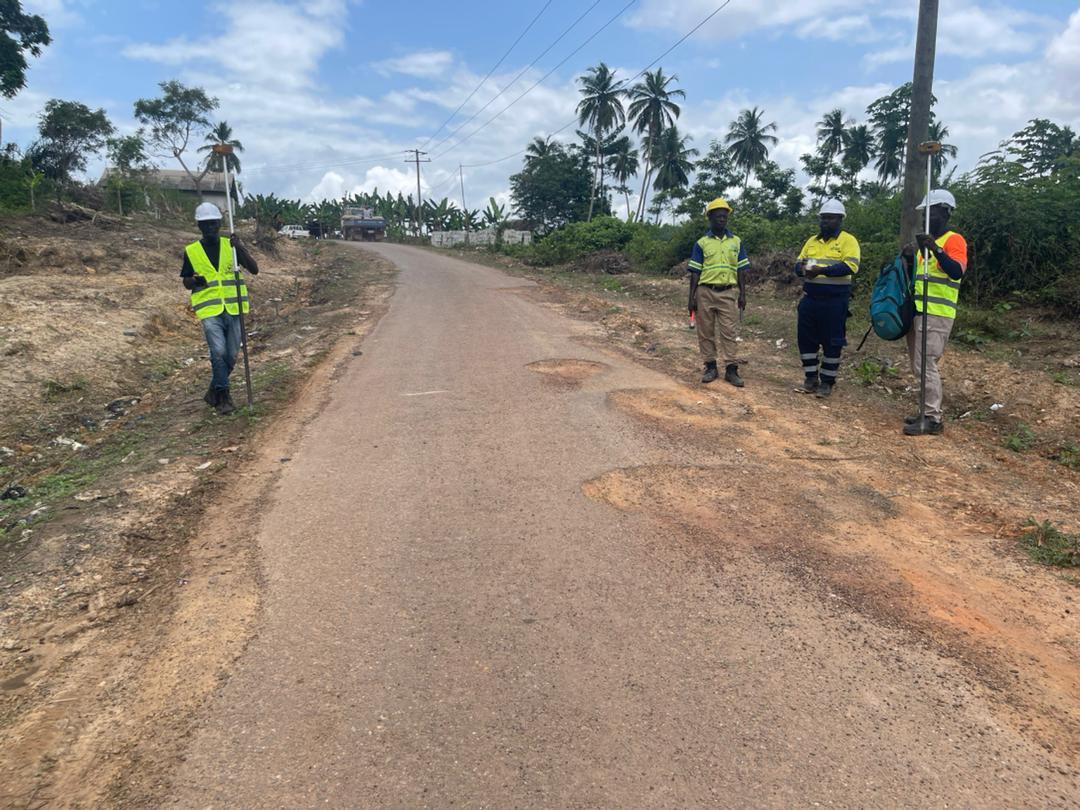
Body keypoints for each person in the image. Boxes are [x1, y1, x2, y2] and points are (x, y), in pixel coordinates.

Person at [181, 202, 259, 415]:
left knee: (231, 355)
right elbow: (185, 281)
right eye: (205, 224)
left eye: (213, 223)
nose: (210, 228)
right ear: (199, 226)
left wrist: (240, 247)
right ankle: (224, 396)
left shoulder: (231, 246)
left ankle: (214, 389)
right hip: (209, 311)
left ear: (219, 224)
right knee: (218, 352)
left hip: (234, 309)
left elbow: (254, 269)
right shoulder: (192, 251)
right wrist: (195, 281)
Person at [901, 188, 967, 436]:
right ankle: (925, 410)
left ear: (943, 212)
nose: (926, 217)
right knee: (918, 365)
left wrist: (936, 250)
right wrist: (909, 258)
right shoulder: (924, 245)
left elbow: (956, 271)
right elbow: (917, 280)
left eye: (930, 211)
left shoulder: (953, 240)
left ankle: (933, 418)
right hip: (919, 311)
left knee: (926, 363)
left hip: (937, 313)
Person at [793, 199, 861, 398]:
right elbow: (798, 265)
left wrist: (822, 270)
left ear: (840, 219)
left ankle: (827, 382)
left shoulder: (848, 241)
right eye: (823, 218)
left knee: (832, 342)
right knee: (806, 340)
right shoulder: (811, 241)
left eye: (830, 218)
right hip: (810, 298)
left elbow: (850, 266)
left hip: (834, 301)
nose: (825, 222)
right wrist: (802, 268)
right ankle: (811, 378)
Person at [687, 198, 750, 386]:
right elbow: (695, 272)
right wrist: (691, 297)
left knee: (729, 331)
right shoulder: (702, 243)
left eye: (724, 216)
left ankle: (731, 369)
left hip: (728, 292)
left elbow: (741, 269)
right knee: (705, 332)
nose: (721, 219)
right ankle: (710, 366)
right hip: (705, 292)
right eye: (718, 216)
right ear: (710, 218)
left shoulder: (736, 242)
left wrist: (743, 294)